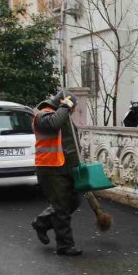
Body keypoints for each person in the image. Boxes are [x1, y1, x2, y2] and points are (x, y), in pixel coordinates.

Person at [31, 90, 82, 256]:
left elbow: (69, 143)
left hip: (65, 166)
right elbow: (53, 124)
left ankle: (42, 222)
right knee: (61, 207)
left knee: (73, 200)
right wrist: (66, 106)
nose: (73, 110)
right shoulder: (42, 115)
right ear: (63, 103)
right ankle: (65, 245)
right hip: (49, 168)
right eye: (72, 106)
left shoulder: (63, 116)